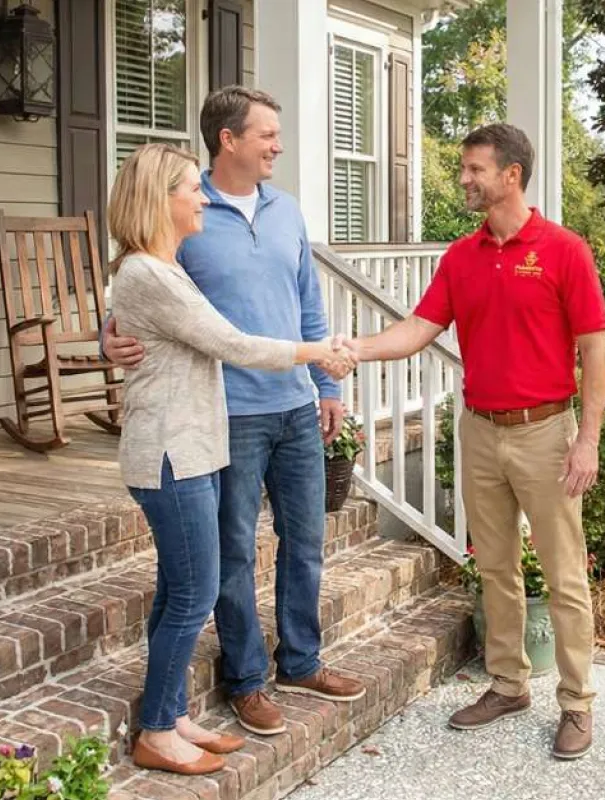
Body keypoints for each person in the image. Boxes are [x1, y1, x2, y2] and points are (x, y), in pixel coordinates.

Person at [338, 123, 605, 759]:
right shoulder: (461, 256)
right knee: (494, 566)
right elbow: (417, 330)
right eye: (465, 169)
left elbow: (595, 347)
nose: (463, 178)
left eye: (474, 169)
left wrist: (587, 438)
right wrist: (356, 350)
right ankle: (509, 683)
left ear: (510, 175)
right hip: (480, 430)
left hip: (547, 431)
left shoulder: (565, 250)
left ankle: (577, 703)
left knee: (565, 574)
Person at [103, 86, 366, 738]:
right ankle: (247, 679)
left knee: (305, 543)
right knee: (232, 557)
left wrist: (324, 388)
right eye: (267, 134)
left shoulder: (286, 212)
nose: (278, 145)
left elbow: (306, 297)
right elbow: (144, 296)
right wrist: (109, 336)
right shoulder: (188, 212)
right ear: (230, 140)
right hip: (226, 418)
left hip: (295, 406)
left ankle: (301, 660)